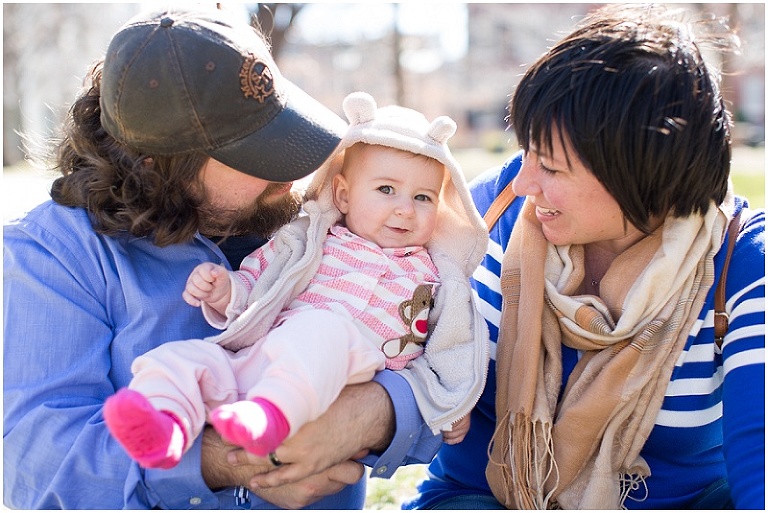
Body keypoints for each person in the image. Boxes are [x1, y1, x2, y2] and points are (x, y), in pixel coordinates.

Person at [2, 7, 472, 510]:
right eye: (256, 154)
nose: (291, 173)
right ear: (156, 163)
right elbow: (34, 460)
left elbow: (442, 367)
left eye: (283, 131)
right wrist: (225, 461)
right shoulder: (53, 255)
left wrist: (369, 414)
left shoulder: (330, 223)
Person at [404, 4, 764, 510]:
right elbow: (379, 346)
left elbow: (760, 456)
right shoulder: (488, 213)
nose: (524, 183)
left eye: (551, 167)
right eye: (526, 151)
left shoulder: (741, 263)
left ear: (641, 175)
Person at [101, 91, 489, 469]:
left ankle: (268, 417)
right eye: (386, 190)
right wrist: (226, 291)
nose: (405, 209)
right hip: (265, 356)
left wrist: (452, 402)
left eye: (423, 198)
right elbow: (261, 284)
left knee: (321, 329)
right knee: (184, 358)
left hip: (347, 374)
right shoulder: (309, 241)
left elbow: (454, 345)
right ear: (343, 195)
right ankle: (164, 429)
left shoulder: (436, 275)